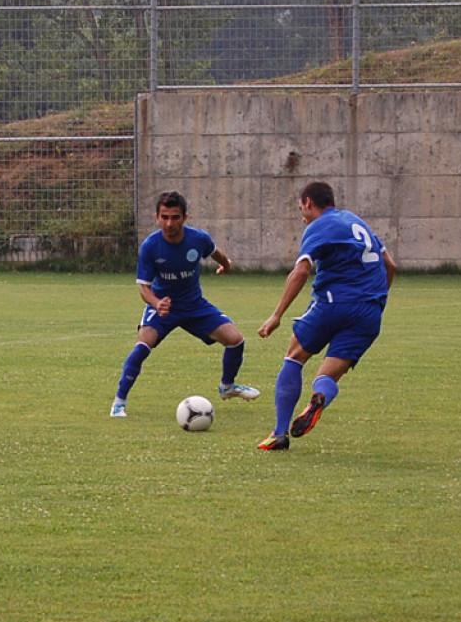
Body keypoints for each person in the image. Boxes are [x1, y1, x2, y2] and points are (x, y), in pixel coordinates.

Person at [257, 181, 397, 450]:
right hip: (369, 312)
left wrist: (276, 315)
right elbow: (390, 265)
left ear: (308, 202)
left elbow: (301, 271)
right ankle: (319, 397)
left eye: (301, 208)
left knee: (295, 356)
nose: (302, 216)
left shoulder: (319, 226)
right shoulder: (357, 222)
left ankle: (279, 433)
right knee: (327, 377)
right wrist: (376, 300)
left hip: (333, 304)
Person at [110, 191, 259, 417]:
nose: (169, 223)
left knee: (235, 340)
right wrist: (156, 303)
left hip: (194, 305)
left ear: (185, 217)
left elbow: (214, 252)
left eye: (175, 217)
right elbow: (144, 288)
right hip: (163, 307)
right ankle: (119, 403)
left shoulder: (198, 239)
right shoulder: (151, 246)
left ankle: (227, 387)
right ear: (157, 217)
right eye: (164, 217)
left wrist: (226, 264)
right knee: (142, 346)